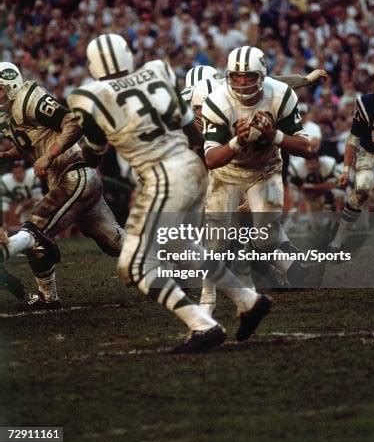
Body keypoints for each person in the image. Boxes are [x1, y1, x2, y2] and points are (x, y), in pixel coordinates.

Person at [67, 33, 272, 353]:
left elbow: (94, 155)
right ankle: (249, 300)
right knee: (180, 244)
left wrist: (76, 151)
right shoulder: (157, 71)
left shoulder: (89, 96)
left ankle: (202, 324)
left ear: (93, 64)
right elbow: (191, 127)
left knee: (133, 267)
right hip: (189, 166)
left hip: (162, 176)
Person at [0, 62, 124, 310]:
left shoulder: (28, 98)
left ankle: (46, 295)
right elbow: (31, 143)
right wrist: (10, 153)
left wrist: (49, 156)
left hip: (73, 175)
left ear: (11, 85)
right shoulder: (8, 114)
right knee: (116, 244)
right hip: (74, 181)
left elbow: (73, 123)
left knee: (34, 230)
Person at [200, 46, 312, 308]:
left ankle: (250, 253)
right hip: (226, 172)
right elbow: (212, 159)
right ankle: (207, 300)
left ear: (261, 75)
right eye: (236, 77)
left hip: (265, 169)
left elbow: (305, 147)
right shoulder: (217, 102)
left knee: (268, 238)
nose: (241, 82)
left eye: (248, 76)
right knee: (215, 241)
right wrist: (238, 141)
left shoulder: (280, 95)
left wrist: (273, 135)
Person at [328, 67, 374, 251]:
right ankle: (340, 237)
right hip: (368, 152)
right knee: (363, 190)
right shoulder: (367, 104)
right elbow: (354, 137)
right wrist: (345, 169)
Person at [1, 160, 42, 232]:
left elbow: (36, 197)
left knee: (40, 223)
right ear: (12, 174)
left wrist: (20, 207)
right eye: (15, 173)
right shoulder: (6, 181)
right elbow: (5, 203)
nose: (18, 175)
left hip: (38, 204)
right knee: (26, 230)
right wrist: (4, 222)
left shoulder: (32, 175)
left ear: (24, 171)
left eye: (20, 172)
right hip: (25, 209)